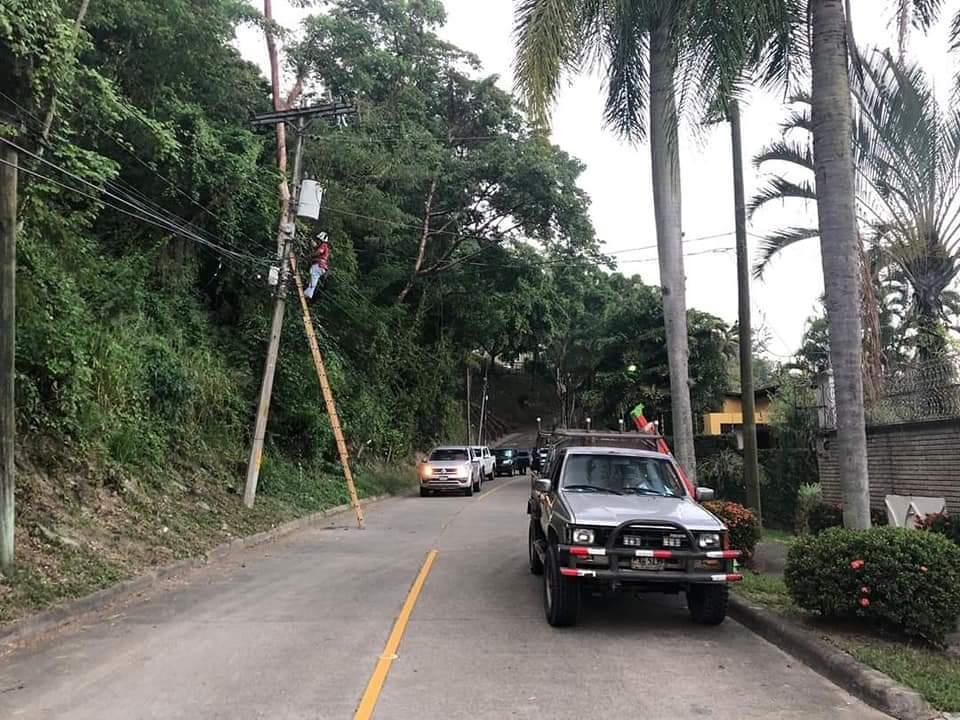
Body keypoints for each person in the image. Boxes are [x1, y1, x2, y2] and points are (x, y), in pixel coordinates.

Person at [304, 233, 330, 300]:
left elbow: (319, 251)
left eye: (318, 240)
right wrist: (312, 242)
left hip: (319, 265)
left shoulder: (323, 245)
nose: (317, 241)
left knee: (313, 277)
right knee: (314, 278)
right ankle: (309, 293)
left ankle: (308, 293)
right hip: (322, 267)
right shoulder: (324, 246)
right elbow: (316, 247)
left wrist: (310, 256)